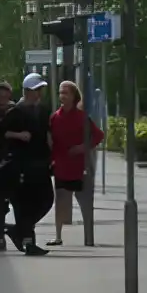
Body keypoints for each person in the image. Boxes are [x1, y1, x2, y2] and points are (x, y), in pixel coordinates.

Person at [0, 80, 53, 255]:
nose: (40, 93)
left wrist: (51, 148)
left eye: (41, 90)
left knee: (47, 200)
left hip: (41, 162)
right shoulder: (16, 112)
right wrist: (18, 135)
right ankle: (29, 243)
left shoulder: (42, 110)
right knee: (25, 204)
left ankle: (18, 230)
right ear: (27, 90)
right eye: (36, 90)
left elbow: (47, 132)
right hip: (22, 164)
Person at [47, 82, 104, 245]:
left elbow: (98, 136)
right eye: (60, 93)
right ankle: (58, 236)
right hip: (61, 167)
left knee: (86, 205)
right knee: (60, 204)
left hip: (81, 168)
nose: (62, 96)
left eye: (66, 93)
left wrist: (83, 147)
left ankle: (89, 237)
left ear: (74, 96)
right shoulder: (54, 118)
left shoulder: (82, 117)